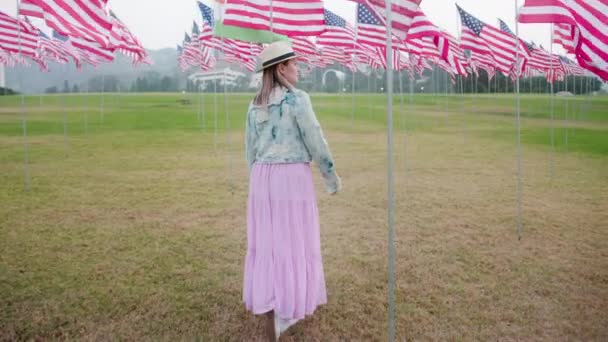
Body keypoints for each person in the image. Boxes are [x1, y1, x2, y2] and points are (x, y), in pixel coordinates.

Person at [242, 40, 341, 341]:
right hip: (292, 178)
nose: (299, 68)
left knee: (270, 245)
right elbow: (315, 139)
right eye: (295, 63)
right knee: (294, 242)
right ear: (282, 68)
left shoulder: (254, 104)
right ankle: (287, 308)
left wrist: (258, 180)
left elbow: (250, 150)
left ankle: (274, 305)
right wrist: (331, 177)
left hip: (262, 178)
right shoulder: (298, 99)